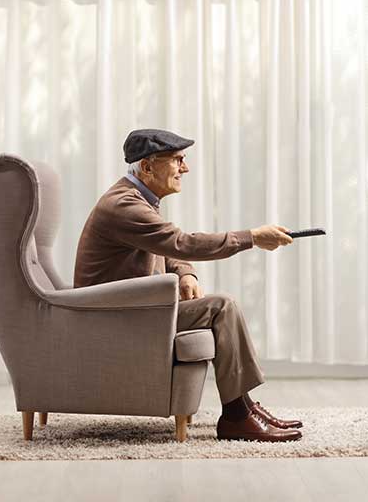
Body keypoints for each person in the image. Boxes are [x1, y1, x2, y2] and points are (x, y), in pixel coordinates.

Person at [74, 128, 303, 442]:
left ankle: (245, 408)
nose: (185, 168)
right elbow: (180, 242)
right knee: (222, 306)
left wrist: (186, 275)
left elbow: (167, 247)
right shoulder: (124, 206)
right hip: (115, 320)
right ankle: (238, 416)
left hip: (131, 310)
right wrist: (252, 237)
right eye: (178, 160)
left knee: (222, 306)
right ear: (148, 167)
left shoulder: (136, 198)